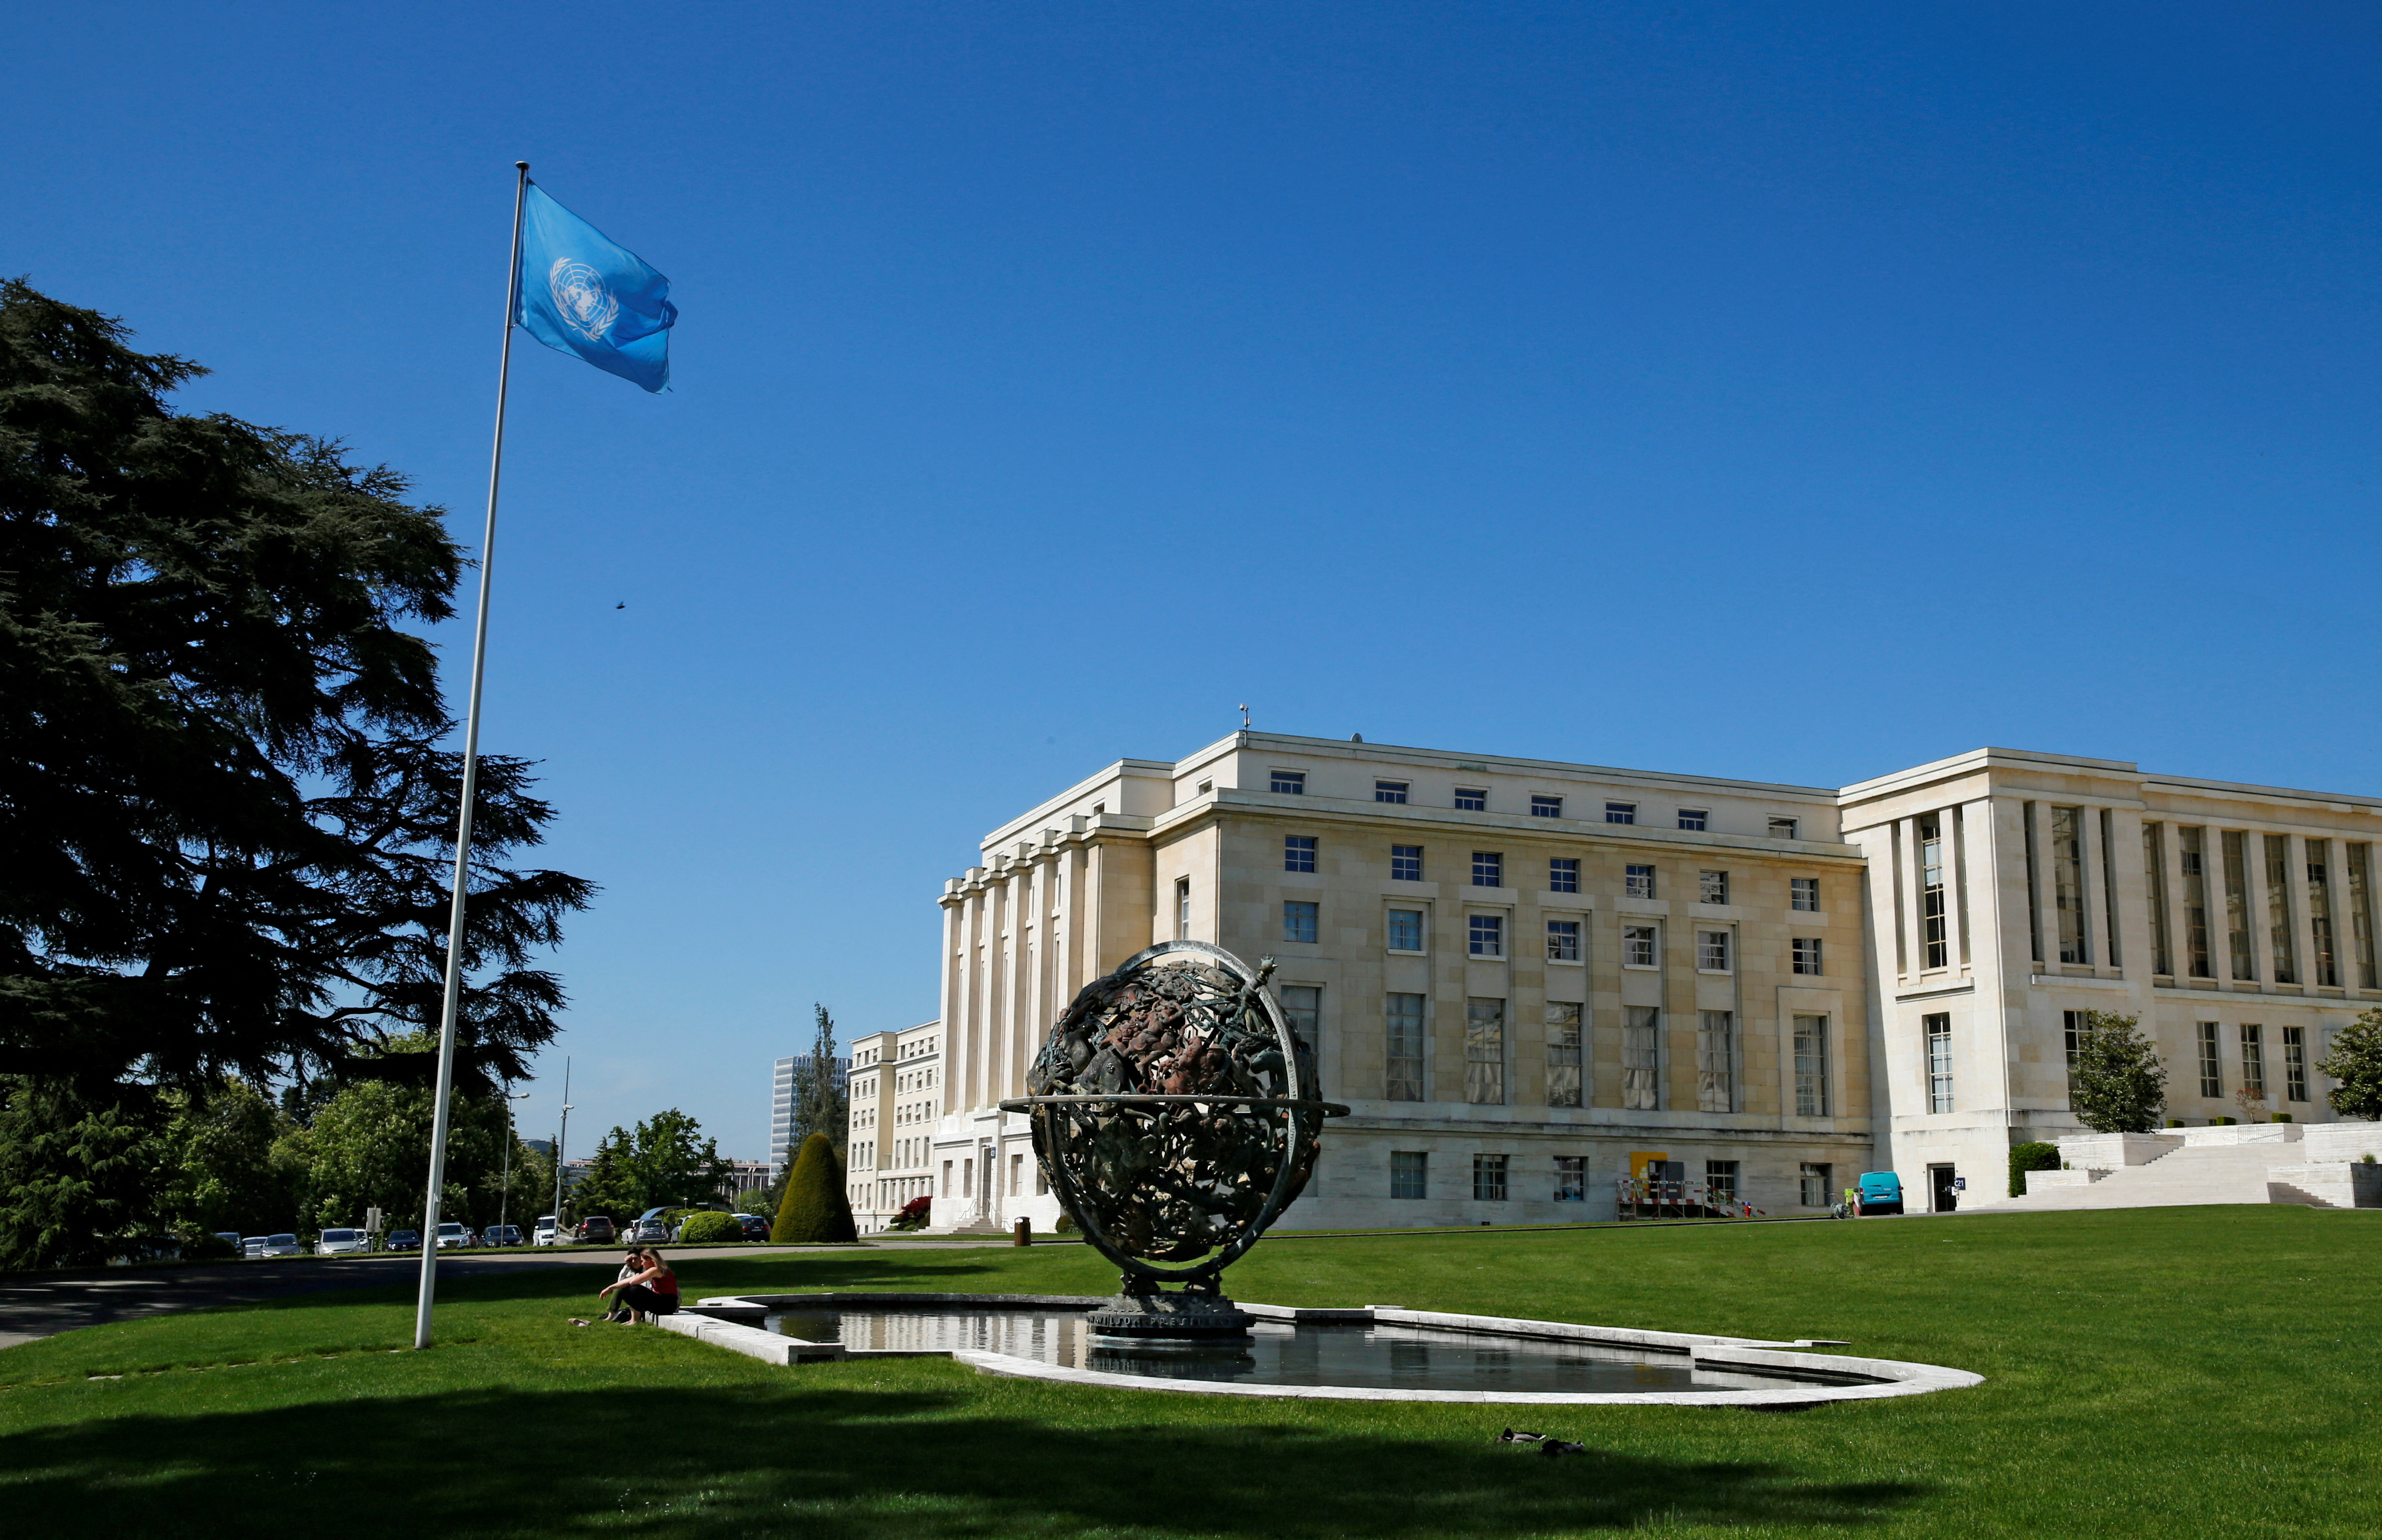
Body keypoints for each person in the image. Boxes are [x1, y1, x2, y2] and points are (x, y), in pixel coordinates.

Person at [597, 1248, 679, 1323]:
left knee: (634, 1289)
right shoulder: (656, 1269)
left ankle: (634, 1320)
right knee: (628, 1288)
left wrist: (635, 1278)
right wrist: (610, 1288)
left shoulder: (656, 1270)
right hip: (666, 1304)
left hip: (667, 1305)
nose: (642, 1264)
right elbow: (629, 1280)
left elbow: (633, 1282)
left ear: (650, 1259)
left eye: (643, 1261)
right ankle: (633, 1320)